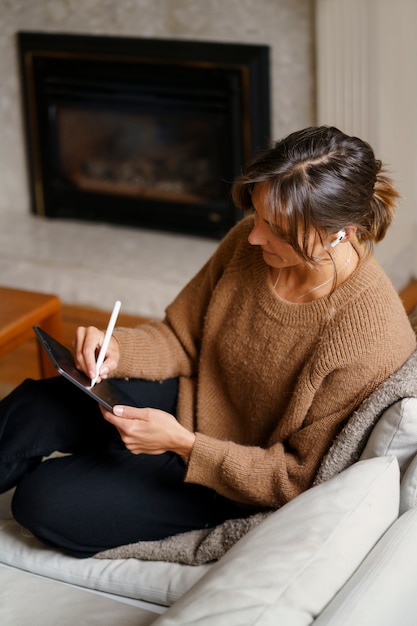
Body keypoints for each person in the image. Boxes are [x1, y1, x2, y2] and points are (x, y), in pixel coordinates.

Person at [0, 126, 415, 558]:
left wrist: (184, 444)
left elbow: (294, 478)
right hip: (188, 407)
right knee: (36, 406)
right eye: (257, 216)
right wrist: (117, 350)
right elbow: (181, 337)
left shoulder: (369, 337)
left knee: (45, 501)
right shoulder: (250, 245)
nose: (255, 236)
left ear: (339, 232)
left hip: (227, 481)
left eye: (276, 228)